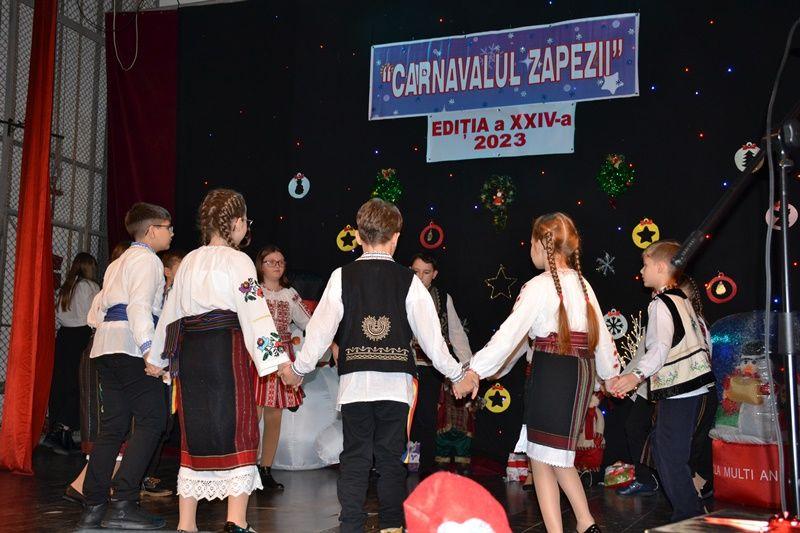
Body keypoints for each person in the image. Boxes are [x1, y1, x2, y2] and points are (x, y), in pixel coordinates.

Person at [278, 198, 470, 533]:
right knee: (390, 459)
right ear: (396, 237)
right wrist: (458, 374)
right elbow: (432, 341)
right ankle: (392, 525)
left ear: (358, 235)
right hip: (395, 386)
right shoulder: (409, 281)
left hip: (355, 384)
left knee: (354, 457)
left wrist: (298, 370)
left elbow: (320, 332)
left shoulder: (342, 276)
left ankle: (351, 525)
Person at [456, 212, 620, 533]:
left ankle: (566, 528)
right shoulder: (583, 284)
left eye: (530, 241)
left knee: (543, 456)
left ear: (541, 245)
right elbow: (601, 335)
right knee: (554, 455)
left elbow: (509, 334)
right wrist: (611, 374)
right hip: (579, 371)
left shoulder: (538, 286)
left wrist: (475, 370)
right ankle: (585, 523)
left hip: (553, 371)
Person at [150, 188, 288, 533]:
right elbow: (255, 313)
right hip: (226, 351)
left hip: (192, 354)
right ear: (237, 223)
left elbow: (171, 311)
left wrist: (157, 358)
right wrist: (279, 363)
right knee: (238, 428)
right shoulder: (239, 261)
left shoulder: (189, 261)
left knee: (194, 432)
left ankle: (186, 524)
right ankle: (236, 522)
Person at [78, 204, 173, 530]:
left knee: (113, 426)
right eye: (167, 227)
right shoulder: (148, 261)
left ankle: (93, 508)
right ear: (152, 230)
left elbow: (96, 311)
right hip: (131, 347)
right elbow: (139, 307)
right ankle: (123, 503)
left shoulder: (118, 262)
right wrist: (149, 352)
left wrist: (108, 332)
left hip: (105, 346)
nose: (171, 233)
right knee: (153, 419)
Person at [609, 240, 714, 522]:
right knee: (663, 446)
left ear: (660, 267)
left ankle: (688, 514)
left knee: (669, 454)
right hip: (693, 387)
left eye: (645, 265)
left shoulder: (660, 304)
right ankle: (689, 509)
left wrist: (635, 375)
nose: (641, 271)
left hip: (680, 390)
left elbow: (658, 348)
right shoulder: (682, 300)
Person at [252, 245, 312, 489]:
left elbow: (308, 322)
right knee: (253, 414)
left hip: (282, 358)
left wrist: (331, 342)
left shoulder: (290, 294)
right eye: (271, 262)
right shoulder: (254, 291)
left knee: (274, 415)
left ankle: (265, 469)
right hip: (258, 356)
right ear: (261, 265)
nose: (277, 266)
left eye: (281, 261)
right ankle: (246, 468)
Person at [407, 253, 472, 476]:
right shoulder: (401, 293)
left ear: (434, 274)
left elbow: (456, 333)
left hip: (431, 368)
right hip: (404, 366)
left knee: (427, 417)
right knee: (403, 416)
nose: (420, 277)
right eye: (416, 272)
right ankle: (403, 463)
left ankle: (425, 468)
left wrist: (468, 368)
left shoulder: (443, 298)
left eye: (426, 272)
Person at [43, 252, 100, 456]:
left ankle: (60, 432)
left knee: (63, 381)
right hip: (82, 336)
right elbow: (95, 314)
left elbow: (59, 314)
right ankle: (63, 429)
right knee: (80, 383)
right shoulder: (90, 286)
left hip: (64, 337)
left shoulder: (67, 287)